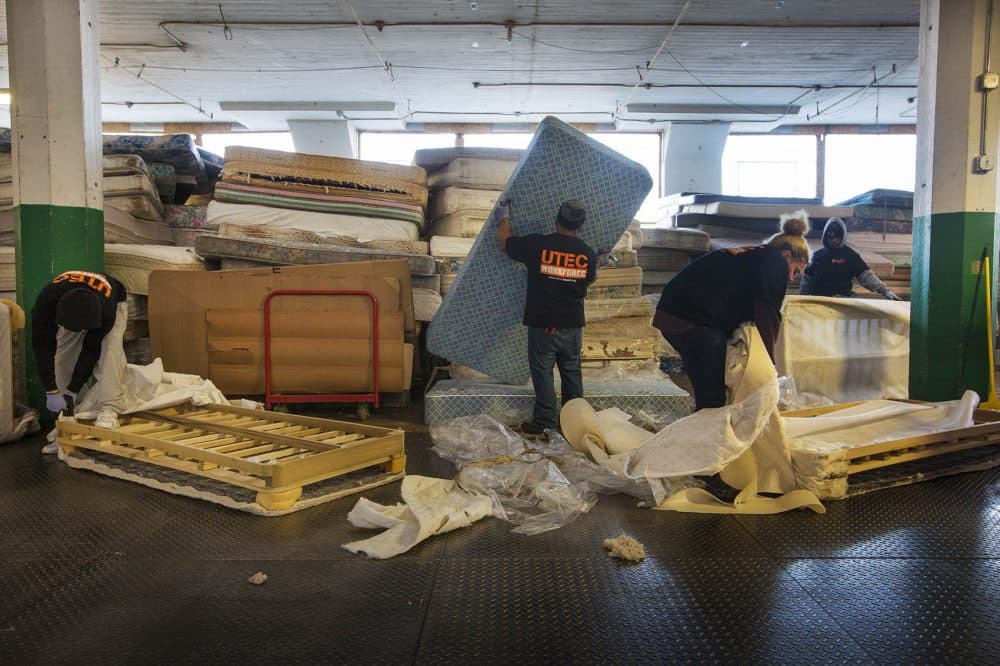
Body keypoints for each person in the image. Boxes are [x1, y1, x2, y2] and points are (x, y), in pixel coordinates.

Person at [652, 210, 811, 411]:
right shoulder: (774, 261)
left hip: (675, 315)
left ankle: (706, 429)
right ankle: (708, 436)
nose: (791, 278)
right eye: (795, 271)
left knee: (711, 388)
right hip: (689, 319)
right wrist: (771, 369)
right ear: (787, 255)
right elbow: (767, 315)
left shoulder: (756, 255)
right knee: (712, 398)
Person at [497, 199, 598, 436]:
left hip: (544, 323)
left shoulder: (538, 246)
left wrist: (504, 216)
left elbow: (503, 242)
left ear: (556, 220)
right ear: (580, 227)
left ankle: (544, 422)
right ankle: (575, 425)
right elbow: (590, 279)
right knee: (572, 372)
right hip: (572, 324)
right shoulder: (587, 253)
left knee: (542, 373)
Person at [31, 270, 128, 453]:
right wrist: (52, 390)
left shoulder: (106, 312)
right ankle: (74, 415)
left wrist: (73, 389)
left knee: (110, 350)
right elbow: (42, 348)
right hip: (73, 306)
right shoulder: (44, 306)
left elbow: (90, 351)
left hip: (111, 300)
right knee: (61, 360)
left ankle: (109, 409)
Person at [799, 216, 901, 300]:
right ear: (825, 236)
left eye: (837, 237)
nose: (834, 240)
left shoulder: (851, 256)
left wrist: (885, 291)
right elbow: (806, 279)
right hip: (819, 302)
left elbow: (866, 276)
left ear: (843, 236)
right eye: (831, 236)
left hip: (844, 301)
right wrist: (801, 299)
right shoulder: (817, 256)